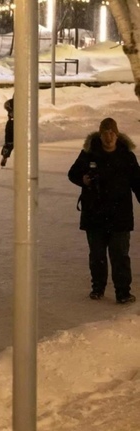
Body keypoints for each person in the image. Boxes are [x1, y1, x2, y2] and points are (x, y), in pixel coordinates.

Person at [68, 117, 140, 304]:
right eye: (105, 133)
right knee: (97, 255)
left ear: (117, 134)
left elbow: (138, 183)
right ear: (100, 135)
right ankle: (97, 288)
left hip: (120, 215)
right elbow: (73, 173)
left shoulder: (126, 156)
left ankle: (123, 291)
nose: (108, 137)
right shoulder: (89, 154)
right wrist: (83, 179)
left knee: (120, 255)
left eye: (111, 133)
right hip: (95, 213)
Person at [1, 98, 14, 168]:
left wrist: (10, 110)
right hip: (19, 124)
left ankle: (4, 156)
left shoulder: (9, 102)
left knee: (8, 142)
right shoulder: (23, 103)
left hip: (10, 122)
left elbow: (5, 105)